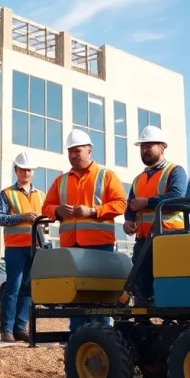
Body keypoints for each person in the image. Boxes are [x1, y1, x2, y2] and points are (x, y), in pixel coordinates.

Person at [42, 129, 127, 332]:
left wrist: (93, 211)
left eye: (77, 151)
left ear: (89, 150)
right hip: (71, 247)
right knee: (75, 294)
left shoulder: (106, 176)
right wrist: (57, 211)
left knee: (100, 295)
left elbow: (121, 204)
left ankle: (102, 336)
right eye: (70, 151)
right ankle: (77, 337)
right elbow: (45, 207)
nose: (73, 155)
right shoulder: (61, 180)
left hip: (100, 246)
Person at [122, 125, 188, 304]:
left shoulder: (175, 171)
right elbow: (130, 205)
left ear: (162, 147)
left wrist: (147, 202)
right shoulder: (138, 179)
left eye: (149, 146)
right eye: (143, 147)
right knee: (142, 292)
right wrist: (128, 220)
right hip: (143, 241)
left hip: (168, 238)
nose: (145, 150)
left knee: (169, 286)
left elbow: (178, 197)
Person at [0, 151, 45, 343]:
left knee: (29, 288)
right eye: (23, 169)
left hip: (35, 248)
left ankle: (19, 327)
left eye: (30, 170)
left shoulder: (41, 195)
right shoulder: (7, 194)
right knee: (13, 287)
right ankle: (6, 329)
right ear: (16, 170)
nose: (26, 173)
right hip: (15, 248)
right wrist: (21, 217)